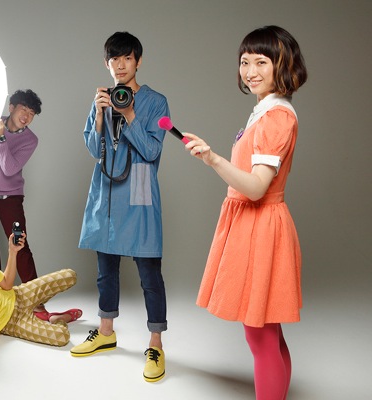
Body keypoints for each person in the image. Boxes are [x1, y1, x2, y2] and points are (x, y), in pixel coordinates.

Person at [183, 26, 307, 400]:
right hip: (254, 225)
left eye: (261, 62)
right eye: (244, 62)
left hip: (261, 226)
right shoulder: (266, 111)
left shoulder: (277, 118)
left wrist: (213, 159)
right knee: (267, 331)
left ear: (282, 65)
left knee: (260, 334)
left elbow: (255, 188)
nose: (250, 71)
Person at [72, 31, 170, 383]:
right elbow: (92, 149)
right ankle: (106, 332)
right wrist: (100, 116)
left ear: (138, 61)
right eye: (114, 59)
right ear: (107, 64)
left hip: (139, 183)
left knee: (149, 274)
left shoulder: (156, 101)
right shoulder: (102, 98)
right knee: (105, 270)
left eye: (127, 57)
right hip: (108, 187)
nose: (120, 65)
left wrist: (128, 114)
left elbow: (152, 151)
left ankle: (156, 344)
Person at [0, 89, 72, 321]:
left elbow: (9, 168)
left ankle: (37, 303)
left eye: (31, 113)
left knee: (20, 245)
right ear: (11, 108)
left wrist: (0, 138)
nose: (26, 116)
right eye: (23, 109)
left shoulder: (30, 140)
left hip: (10, 199)